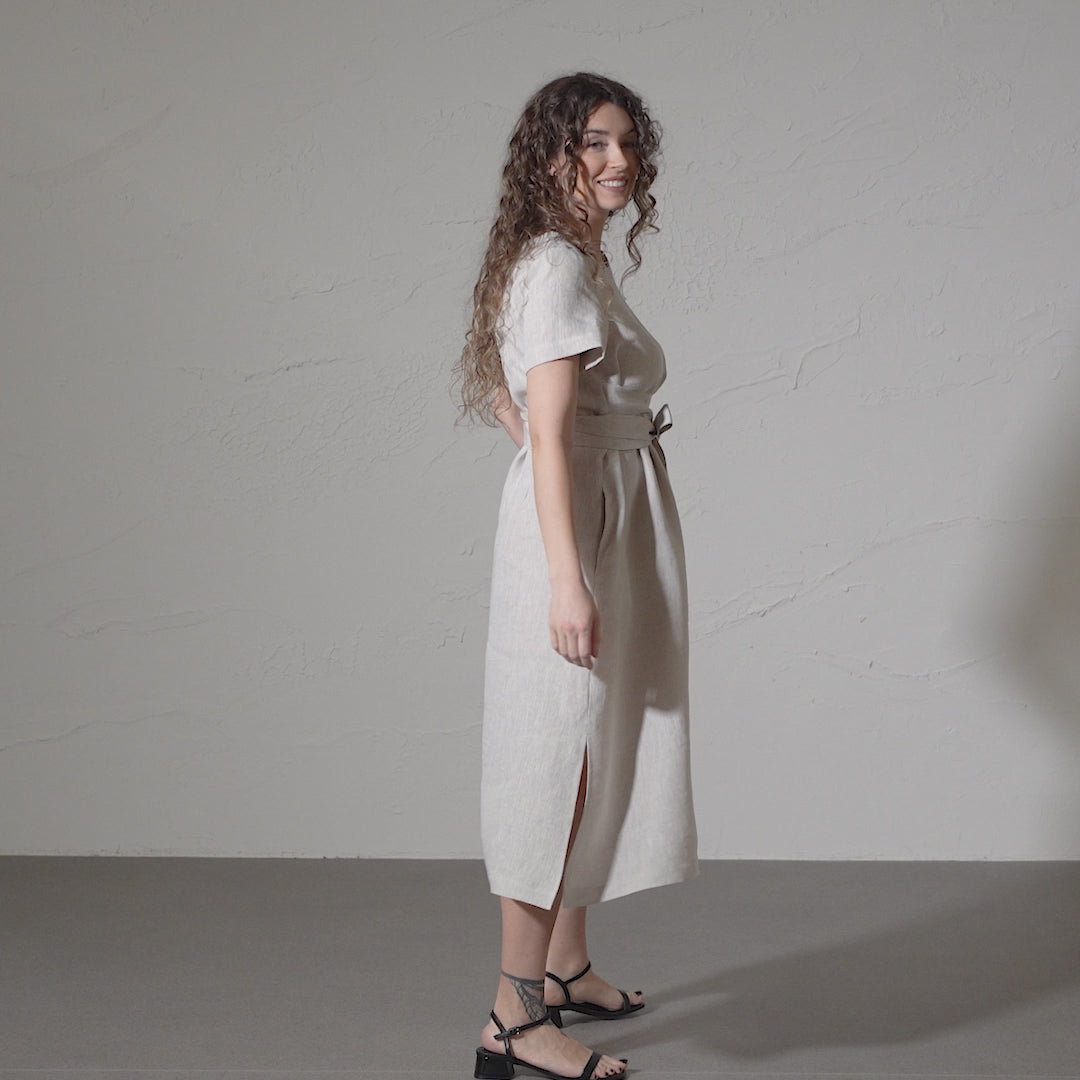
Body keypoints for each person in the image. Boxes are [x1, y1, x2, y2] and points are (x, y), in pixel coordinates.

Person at [456, 72, 697, 1080]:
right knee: (552, 758)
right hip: (581, 529)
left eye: (627, 144)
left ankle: (566, 967)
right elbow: (547, 438)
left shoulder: (572, 259)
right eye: (593, 144)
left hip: (611, 512)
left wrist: (573, 450)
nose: (618, 162)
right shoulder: (555, 266)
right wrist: (567, 578)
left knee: (596, 742)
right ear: (551, 153)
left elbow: (515, 402)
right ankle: (513, 1020)